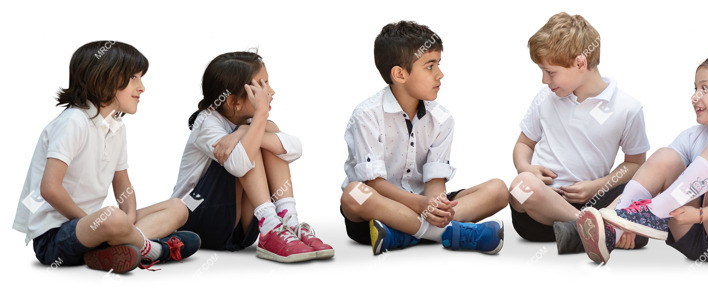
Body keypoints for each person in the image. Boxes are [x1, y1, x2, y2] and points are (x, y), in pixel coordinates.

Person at [578, 36, 708, 264]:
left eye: (705, 88)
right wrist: (623, 220)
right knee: (667, 156)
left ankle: (651, 213)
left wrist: (701, 215)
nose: (695, 97)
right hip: (692, 237)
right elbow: (658, 178)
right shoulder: (692, 136)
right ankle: (615, 226)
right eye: (695, 88)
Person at [13, 41, 199, 273]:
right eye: (133, 77)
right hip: (54, 238)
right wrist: (95, 223)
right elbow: (50, 189)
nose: (142, 87)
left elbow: (122, 183)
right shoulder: (73, 122)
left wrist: (128, 218)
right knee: (112, 218)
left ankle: (111, 247)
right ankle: (157, 250)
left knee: (178, 207)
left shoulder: (116, 126)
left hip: (96, 225)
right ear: (102, 78)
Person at [340, 20, 510, 255]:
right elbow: (373, 183)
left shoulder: (441, 118)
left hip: (423, 205)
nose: (440, 74)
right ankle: (452, 234)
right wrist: (419, 205)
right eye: (430, 66)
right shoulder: (366, 115)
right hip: (380, 209)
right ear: (400, 74)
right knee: (353, 194)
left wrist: (435, 208)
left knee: (499, 190)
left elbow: (435, 181)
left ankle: (404, 235)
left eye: (439, 64)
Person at [509, 12, 650, 254]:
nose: (544, 80)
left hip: (595, 200)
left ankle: (581, 232)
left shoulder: (627, 108)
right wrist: (526, 168)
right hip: (539, 211)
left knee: (642, 187)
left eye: (550, 72)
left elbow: (635, 163)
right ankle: (598, 228)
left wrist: (597, 187)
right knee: (520, 187)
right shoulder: (546, 98)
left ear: (580, 63)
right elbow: (524, 143)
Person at [175, 51, 332, 263]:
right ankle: (270, 224)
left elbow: (295, 149)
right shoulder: (206, 122)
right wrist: (258, 119)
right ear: (234, 102)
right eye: (261, 86)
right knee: (252, 143)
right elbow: (239, 166)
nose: (271, 91)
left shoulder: (249, 122)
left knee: (264, 139)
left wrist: (243, 130)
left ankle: (287, 223)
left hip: (240, 228)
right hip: (195, 218)